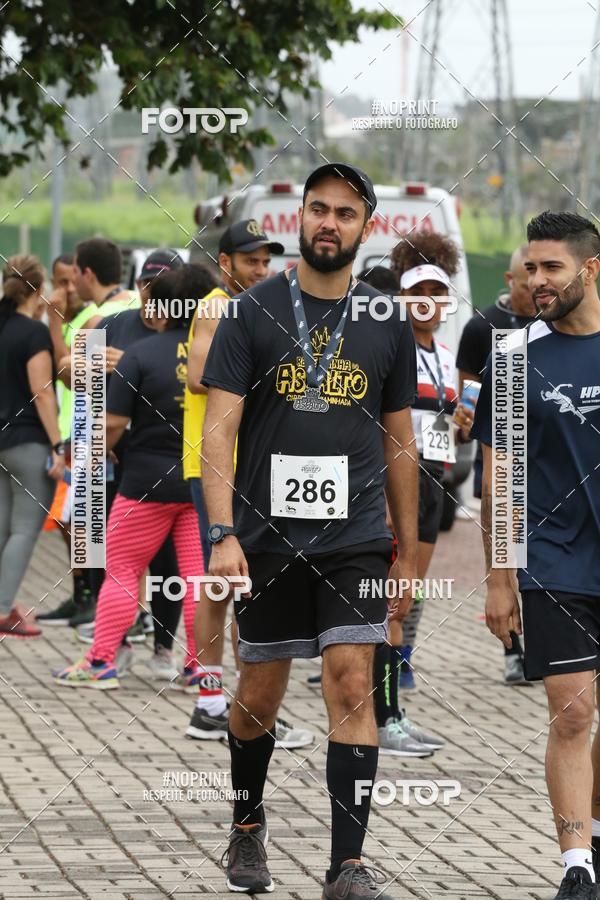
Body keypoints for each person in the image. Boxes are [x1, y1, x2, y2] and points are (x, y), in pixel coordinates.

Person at [201, 162, 418, 898]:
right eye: (318, 209)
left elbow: (399, 441)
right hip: (265, 538)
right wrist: (221, 532)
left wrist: (410, 554)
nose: (329, 223)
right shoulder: (252, 311)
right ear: (301, 217)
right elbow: (219, 433)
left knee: (353, 682)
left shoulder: (387, 320)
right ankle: (247, 824)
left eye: (346, 213)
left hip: (354, 538)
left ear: (366, 226)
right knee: (259, 694)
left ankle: (347, 865)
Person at [472, 211, 600, 900]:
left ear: (591, 269)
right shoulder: (515, 357)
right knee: (573, 710)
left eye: (552, 268)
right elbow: (500, 476)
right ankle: (576, 865)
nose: (536, 280)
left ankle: (595, 827)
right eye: (531, 268)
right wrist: (500, 577)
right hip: (553, 556)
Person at [183, 220, 311, 750]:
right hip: (216, 466)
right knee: (226, 584)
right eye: (249, 260)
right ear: (225, 262)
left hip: (249, 468)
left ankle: (237, 705)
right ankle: (218, 703)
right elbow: (198, 376)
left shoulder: (256, 308)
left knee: (241, 587)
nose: (260, 269)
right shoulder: (218, 306)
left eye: (266, 260)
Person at [53, 266, 204, 689]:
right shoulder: (208, 352)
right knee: (195, 577)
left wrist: (90, 456)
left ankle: (102, 662)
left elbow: (113, 423)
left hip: (144, 486)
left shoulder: (142, 354)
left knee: (121, 569)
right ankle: (198, 667)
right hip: (196, 484)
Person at [456, 244, 537, 686]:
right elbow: (468, 390)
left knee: (536, 559)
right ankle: (512, 649)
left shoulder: (555, 320)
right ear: (510, 281)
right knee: (504, 554)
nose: (537, 286)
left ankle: (543, 640)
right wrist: (466, 416)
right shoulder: (482, 326)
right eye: (528, 277)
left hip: (542, 459)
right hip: (498, 455)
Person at [0, 255, 65, 637]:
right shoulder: (33, 333)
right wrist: (58, 445)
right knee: (24, 529)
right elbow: (42, 392)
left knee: (3, 528)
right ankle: (4, 609)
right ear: (39, 291)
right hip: (27, 442)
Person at [37, 254, 97, 625]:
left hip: (82, 435)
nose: (67, 290)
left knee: (78, 518)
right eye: (59, 282)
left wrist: (55, 321)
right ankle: (80, 591)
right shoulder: (55, 322)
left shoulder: (86, 322)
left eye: (71, 281)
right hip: (60, 433)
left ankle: (87, 593)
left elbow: (67, 374)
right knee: (65, 520)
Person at [73, 238, 139, 328]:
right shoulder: (142, 299)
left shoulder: (97, 323)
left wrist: (55, 321)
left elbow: (80, 343)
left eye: (75, 271)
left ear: (88, 275)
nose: (73, 279)